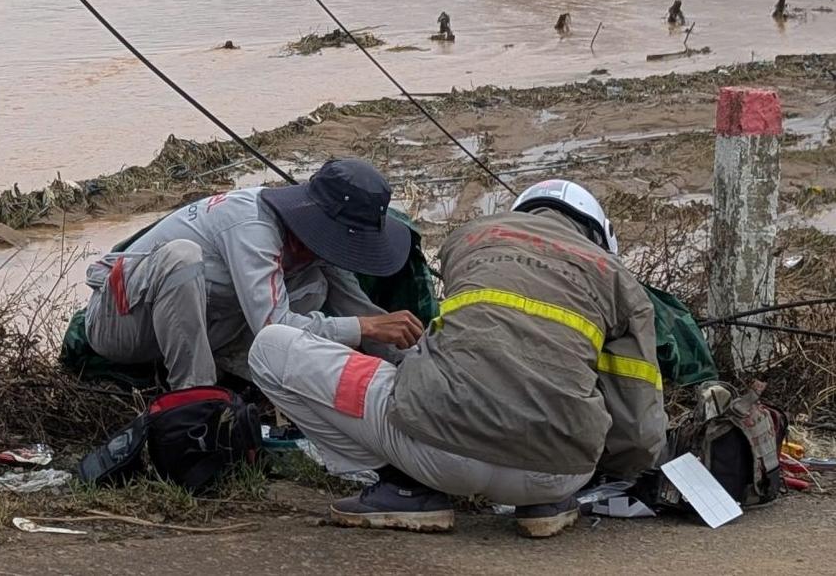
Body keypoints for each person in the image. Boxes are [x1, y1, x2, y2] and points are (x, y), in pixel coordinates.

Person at [248, 179, 667, 538]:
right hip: (558, 473)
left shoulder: (471, 239)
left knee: (271, 346)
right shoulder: (621, 283)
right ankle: (547, 506)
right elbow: (638, 428)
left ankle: (403, 485)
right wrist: (592, 467)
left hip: (435, 454)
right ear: (599, 236)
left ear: (520, 212)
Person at [82, 158, 425, 391]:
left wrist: (415, 365)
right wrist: (364, 327)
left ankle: (243, 370)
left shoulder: (318, 249)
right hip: (122, 322)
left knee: (314, 287)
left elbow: (360, 310)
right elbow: (274, 327)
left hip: (207, 322)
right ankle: (195, 396)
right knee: (181, 258)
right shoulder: (252, 227)